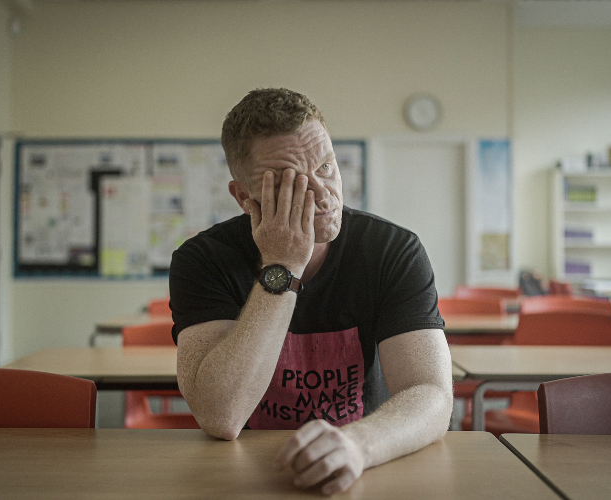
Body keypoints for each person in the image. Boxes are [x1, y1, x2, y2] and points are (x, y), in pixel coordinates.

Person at [169, 88, 452, 495]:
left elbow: (432, 396)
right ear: (244, 198)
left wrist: (358, 444)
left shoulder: (392, 250)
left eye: (326, 167)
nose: (322, 194)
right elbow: (221, 415)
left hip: (369, 461)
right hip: (244, 473)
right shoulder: (203, 260)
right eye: (291, 185)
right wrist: (282, 265)